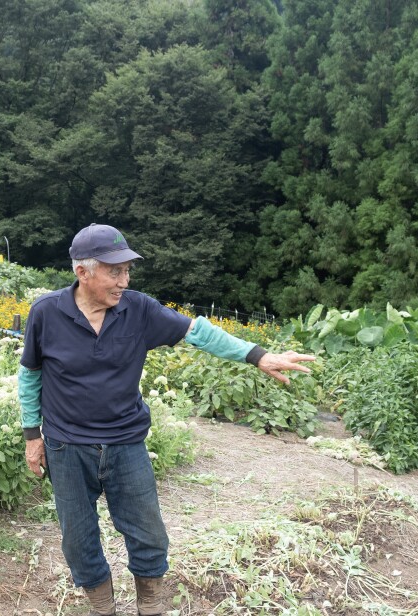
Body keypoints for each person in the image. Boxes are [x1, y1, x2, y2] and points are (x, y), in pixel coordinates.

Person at [18, 224, 315, 616]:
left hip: (126, 443)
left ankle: (151, 605)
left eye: (127, 270)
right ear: (83, 272)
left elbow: (199, 333)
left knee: (149, 533)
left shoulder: (139, 309)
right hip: (66, 445)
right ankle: (102, 608)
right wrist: (31, 435)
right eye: (115, 271)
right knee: (78, 538)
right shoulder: (46, 312)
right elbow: (30, 375)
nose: (124, 280)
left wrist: (257, 355)